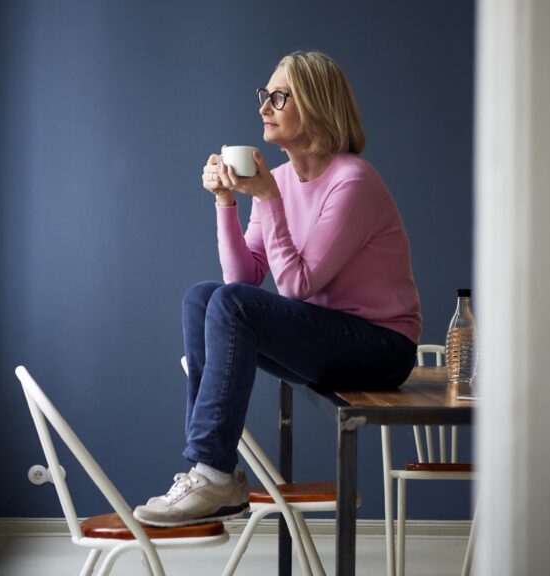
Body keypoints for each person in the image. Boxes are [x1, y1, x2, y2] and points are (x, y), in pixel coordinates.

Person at [133, 51, 422, 527]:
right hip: (327, 336)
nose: (264, 107)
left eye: (278, 97)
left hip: (381, 348)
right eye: (264, 96)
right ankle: (210, 471)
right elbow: (241, 282)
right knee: (202, 298)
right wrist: (226, 202)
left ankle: (213, 470)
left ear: (315, 106)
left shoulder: (352, 182)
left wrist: (267, 198)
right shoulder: (282, 179)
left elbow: (296, 285)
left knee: (225, 304)